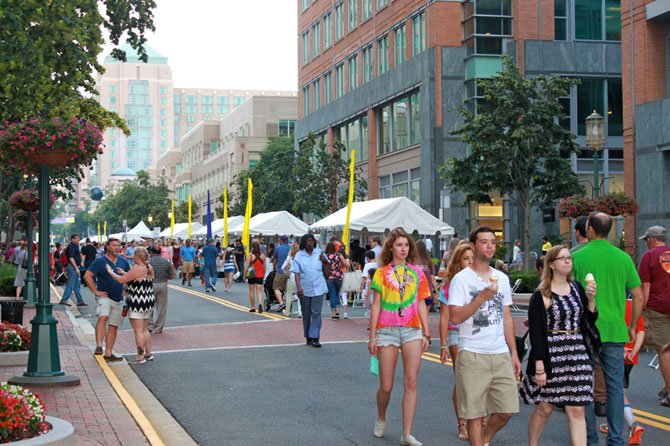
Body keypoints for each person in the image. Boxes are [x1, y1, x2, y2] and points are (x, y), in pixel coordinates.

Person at [572, 212, 643, 446]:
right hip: (614, 330)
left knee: (586, 386)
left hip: (585, 330)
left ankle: (590, 438)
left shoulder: (576, 257)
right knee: (614, 388)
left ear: (589, 229)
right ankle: (616, 438)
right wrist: (633, 325)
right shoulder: (623, 257)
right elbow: (638, 295)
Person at [449, 226, 521, 446]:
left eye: (493, 242)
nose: (490, 246)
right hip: (472, 352)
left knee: (507, 409)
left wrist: (514, 353)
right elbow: (455, 317)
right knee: (474, 413)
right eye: (484, 241)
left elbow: (507, 316)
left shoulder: (502, 278)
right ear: (473, 246)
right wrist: (481, 297)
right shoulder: (461, 280)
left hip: (499, 352)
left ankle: (485, 439)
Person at [519, 246, 597, 446]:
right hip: (552, 354)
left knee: (577, 409)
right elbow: (536, 334)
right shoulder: (542, 294)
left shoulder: (578, 288)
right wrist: (539, 366)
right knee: (545, 407)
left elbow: (589, 320)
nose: (567, 261)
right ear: (552, 264)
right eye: (562, 258)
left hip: (577, 351)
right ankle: (533, 443)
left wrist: (591, 300)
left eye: (569, 258)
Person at [368, 228, 431, 446]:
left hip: (413, 329)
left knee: (411, 381)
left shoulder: (417, 273)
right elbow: (376, 305)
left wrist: (426, 331)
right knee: (386, 385)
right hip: (387, 330)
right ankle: (381, 415)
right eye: (399, 245)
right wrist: (373, 336)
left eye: (406, 245)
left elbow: (422, 302)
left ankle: (406, 434)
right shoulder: (381, 273)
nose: (403, 249)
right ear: (391, 248)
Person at [438, 242, 474, 441]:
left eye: (472, 258)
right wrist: (443, 344)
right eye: (465, 259)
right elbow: (444, 317)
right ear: (458, 262)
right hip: (456, 334)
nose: (469, 262)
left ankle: (477, 417)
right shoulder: (450, 285)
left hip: (477, 334)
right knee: (462, 380)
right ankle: (462, 421)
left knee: (478, 379)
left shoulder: (481, 281)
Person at [599, 296, 646, 444]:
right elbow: (640, 331)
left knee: (615, 390)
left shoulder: (610, 303)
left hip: (614, 353)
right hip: (630, 356)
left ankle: (633, 424)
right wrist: (634, 351)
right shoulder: (633, 306)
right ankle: (613, 423)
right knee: (616, 390)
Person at [637, 225, 670, 407]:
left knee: (664, 350)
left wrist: (640, 309)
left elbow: (646, 287)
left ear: (651, 239)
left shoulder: (649, 256)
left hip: (658, 308)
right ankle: (667, 386)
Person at [84, 238, 130, 361]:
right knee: (103, 317)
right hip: (104, 296)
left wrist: (126, 288)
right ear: (107, 247)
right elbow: (87, 275)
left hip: (118, 298)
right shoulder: (100, 261)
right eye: (113, 245)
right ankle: (99, 346)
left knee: (114, 325)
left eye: (118, 245)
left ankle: (109, 353)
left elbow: (128, 276)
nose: (116, 248)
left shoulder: (123, 261)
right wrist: (95, 291)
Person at [106, 246, 155, 364]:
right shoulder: (149, 268)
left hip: (137, 301)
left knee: (138, 330)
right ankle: (148, 353)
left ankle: (140, 356)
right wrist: (125, 273)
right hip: (148, 300)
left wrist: (110, 272)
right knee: (144, 329)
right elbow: (136, 279)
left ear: (137, 257)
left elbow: (121, 280)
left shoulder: (137, 269)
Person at [291, 234, 328, 347]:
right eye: (308, 241)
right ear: (304, 243)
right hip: (305, 288)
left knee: (316, 313)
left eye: (312, 241)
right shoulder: (299, 256)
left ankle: (315, 337)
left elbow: (328, 269)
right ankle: (308, 335)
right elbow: (296, 273)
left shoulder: (319, 253)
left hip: (318, 286)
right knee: (306, 313)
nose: (310, 243)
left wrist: (325, 261)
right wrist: (299, 287)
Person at [148, 244, 176, 334]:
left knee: (149, 307)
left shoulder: (148, 262)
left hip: (150, 284)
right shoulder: (166, 262)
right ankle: (158, 327)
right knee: (161, 308)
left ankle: (149, 325)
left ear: (151, 252)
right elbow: (172, 275)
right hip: (162, 284)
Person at [60, 234, 86, 306]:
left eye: (78, 238)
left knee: (76, 285)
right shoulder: (71, 247)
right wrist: (76, 268)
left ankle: (80, 301)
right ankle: (64, 299)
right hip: (72, 266)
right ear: (72, 239)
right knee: (71, 284)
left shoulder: (75, 246)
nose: (78, 239)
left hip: (75, 266)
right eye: (76, 238)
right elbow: (71, 258)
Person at [325, 241, 348, 320]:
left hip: (329, 277)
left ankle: (333, 313)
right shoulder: (339, 255)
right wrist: (340, 265)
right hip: (338, 277)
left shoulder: (325, 256)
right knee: (337, 294)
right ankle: (338, 312)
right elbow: (346, 264)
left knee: (332, 295)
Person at [414, 240, 439, 312]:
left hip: (416, 292)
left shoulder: (413, 261)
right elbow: (432, 278)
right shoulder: (429, 261)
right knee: (425, 316)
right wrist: (436, 291)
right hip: (428, 292)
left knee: (417, 316)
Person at [280, 243, 301, 317]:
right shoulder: (300, 257)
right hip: (299, 277)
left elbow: (282, 267)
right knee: (300, 296)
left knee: (288, 295)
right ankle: (300, 312)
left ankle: (287, 311)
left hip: (291, 277)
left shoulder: (289, 257)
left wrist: (287, 268)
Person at [245, 241, 266, 312]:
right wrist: (264, 273)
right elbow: (264, 267)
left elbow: (247, 265)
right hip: (260, 275)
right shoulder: (263, 256)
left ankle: (253, 307)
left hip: (252, 275)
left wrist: (245, 274)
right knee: (259, 291)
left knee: (251, 291)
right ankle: (260, 304)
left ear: (252, 247)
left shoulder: (250, 255)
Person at [272, 235, 291, 311]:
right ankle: (288, 305)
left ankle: (281, 303)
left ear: (281, 241)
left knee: (276, 287)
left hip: (280, 271)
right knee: (288, 290)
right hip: (290, 272)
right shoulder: (291, 248)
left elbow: (274, 260)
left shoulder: (277, 248)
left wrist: (274, 268)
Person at [359, 250, 378, 318]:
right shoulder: (377, 264)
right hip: (377, 285)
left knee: (369, 304)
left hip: (369, 285)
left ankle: (371, 320)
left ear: (367, 258)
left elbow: (364, 278)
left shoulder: (367, 265)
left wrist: (361, 288)